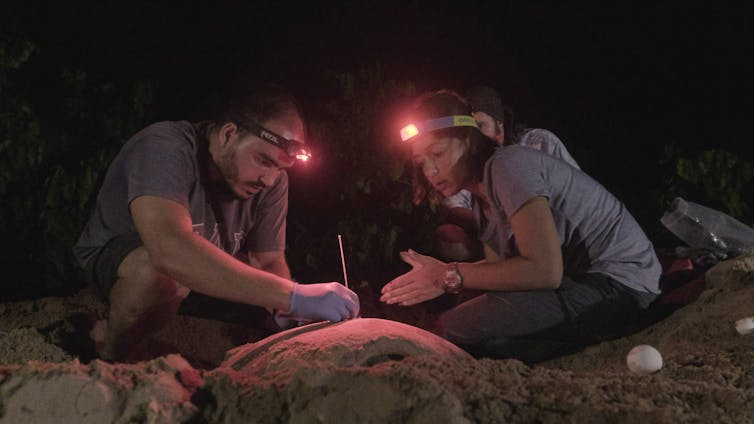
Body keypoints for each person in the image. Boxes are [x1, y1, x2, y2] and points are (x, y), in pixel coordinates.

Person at [73, 82, 360, 362]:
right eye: (263, 160)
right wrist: (293, 295)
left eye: (281, 168)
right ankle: (108, 352)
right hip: (122, 262)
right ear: (228, 134)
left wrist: (287, 309)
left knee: (271, 300)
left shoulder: (273, 183)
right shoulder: (166, 146)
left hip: (197, 275)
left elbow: (269, 260)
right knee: (162, 275)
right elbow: (168, 249)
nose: (270, 179)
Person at [381, 89, 661, 364]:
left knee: (452, 329)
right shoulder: (481, 199)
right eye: (421, 162)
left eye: (438, 153)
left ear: (468, 139)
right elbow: (502, 278)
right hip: (581, 282)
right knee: (477, 331)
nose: (429, 170)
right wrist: (441, 275)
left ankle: (608, 330)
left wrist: (448, 275)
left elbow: (545, 271)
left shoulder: (508, 165)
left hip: (621, 284)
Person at [435, 85, 580, 262]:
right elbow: (453, 207)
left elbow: (575, 193)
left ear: (499, 123)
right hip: (502, 239)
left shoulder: (533, 145)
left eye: (481, 126)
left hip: (558, 232)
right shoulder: (469, 164)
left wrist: (515, 218)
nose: (476, 136)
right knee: (449, 233)